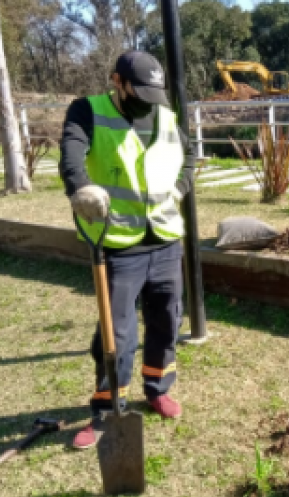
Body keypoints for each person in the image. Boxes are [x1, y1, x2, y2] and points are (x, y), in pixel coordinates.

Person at [58, 50, 196, 449]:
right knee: (116, 332)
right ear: (117, 81)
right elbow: (71, 154)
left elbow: (188, 158)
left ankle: (157, 387)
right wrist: (80, 188)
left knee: (167, 318)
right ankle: (106, 407)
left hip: (166, 238)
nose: (147, 101)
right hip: (118, 243)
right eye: (139, 91)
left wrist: (179, 189)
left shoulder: (165, 116)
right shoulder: (88, 110)